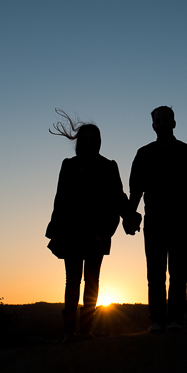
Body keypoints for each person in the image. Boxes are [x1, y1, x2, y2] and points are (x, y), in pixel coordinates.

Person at [45, 110, 139, 343]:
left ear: (97, 141)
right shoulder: (68, 166)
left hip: (98, 231)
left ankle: (86, 330)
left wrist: (130, 216)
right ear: (79, 142)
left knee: (93, 280)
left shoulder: (108, 166)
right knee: (72, 280)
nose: (86, 142)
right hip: (71, 231)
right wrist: (55, 230)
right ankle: (69, 332)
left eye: (90, 138)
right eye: (83, 138)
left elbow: (118, 196)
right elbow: (60, 199)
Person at [126, 106, 187, 332]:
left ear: (174, 123)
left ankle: (176, 319)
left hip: (180, 221)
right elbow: (136, 189)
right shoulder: (144, 154)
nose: (161, 123)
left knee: (179, 272)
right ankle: (157, 320)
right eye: (158, 120)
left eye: (165, 119)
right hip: (154, 223)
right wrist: (131, 217)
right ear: (153, 126)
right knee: (156, 273)